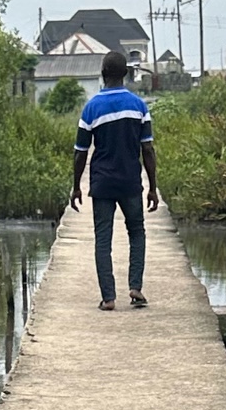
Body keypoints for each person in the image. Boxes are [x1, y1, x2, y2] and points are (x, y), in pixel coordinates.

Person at [69, 50, 161, 310]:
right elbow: (148, 150)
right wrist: (153, 189)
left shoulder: (91, 108)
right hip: (131, 182)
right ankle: (135, 287)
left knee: (103, 239)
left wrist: (76, 186)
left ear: (102, 73)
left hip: (102, 184)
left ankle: (108, 298)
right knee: (137, 233)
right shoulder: (139, 106)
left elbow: (80, 153)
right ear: (126, 74)